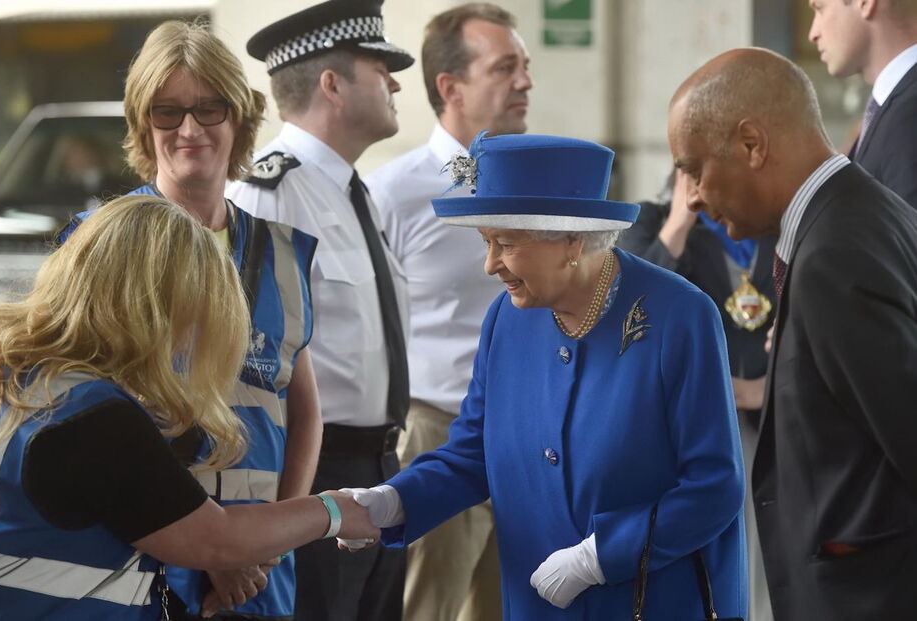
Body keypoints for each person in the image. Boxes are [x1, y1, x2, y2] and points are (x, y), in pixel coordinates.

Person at [340, 133, 748, 620]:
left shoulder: (680, 316)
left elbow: (714, 485)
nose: (491, 265)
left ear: (571, 239)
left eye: (506, 244)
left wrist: (599, 557)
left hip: (650, 600)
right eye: (485, 242)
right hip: (536, 603)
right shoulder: (505, 319)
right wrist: (394, 501)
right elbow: (473, 455)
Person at [0, 194, 379, 620]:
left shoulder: (22, 376)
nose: (190, 342)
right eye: (197, 315)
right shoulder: (91, 419)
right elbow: (215, 539)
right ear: (157, 309)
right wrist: (334, 511)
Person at [60, 21, 321, 620]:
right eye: (167, 111)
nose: (189, 129)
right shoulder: (100, 243)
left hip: (259, 575)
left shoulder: (286, 252)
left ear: (240, 117)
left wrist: (270, 542)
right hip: (147, 563)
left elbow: (302, 410)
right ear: (141, 122)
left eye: (209, 108)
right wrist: (209, 550)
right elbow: (79, 416)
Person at [669, 47, 917, 620]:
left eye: (694, 168)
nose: (695, 196)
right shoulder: (855, 214)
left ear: (752, 145)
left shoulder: (836, 254)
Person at [226, 1, 413, 619]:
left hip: (382, 466)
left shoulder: (357, 191)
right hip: (313, 470)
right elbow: (244, 366)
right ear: (332, 85)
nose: (394, 81)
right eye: (379, 67)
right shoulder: (268, 193)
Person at [364, 4, 530, 620]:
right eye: (505, 67)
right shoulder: (395, 192)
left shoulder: (529, 184)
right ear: (449, 87)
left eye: (526, 66)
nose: (525, 82)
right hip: (438, 435)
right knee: (423, 610)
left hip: (526, 439)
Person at [619, 168, 776, 621]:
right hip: (693, 425)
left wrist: (769, 387)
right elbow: (634, 311)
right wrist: (679, 223)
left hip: (772, 418)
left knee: (767, 548)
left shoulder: (771, 224)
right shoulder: (649, 222)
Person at [808, 0, 917, 206]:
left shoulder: (909, 115)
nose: (813, 33)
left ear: (865, 3)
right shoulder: (893, 106)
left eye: (820, 8)